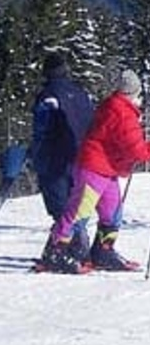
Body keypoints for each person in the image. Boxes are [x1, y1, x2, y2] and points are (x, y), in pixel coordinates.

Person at [37, 69, 150, 274]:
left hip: (107, 167)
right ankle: (55, 253)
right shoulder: (122, 113)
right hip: (94, 167)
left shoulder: (116, 106)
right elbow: (136, 150)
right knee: (78, 212)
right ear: (134, 92)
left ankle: (103, 251)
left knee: (112, 212)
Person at [29, 53, 95, 258]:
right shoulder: (81, 93)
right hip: (80, 157)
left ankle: (62, 251)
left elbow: (42, 128)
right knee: (74, 204)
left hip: (54, 158)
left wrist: (35, 155)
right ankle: (80, 247)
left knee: (59, 207)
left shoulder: (48, 95)